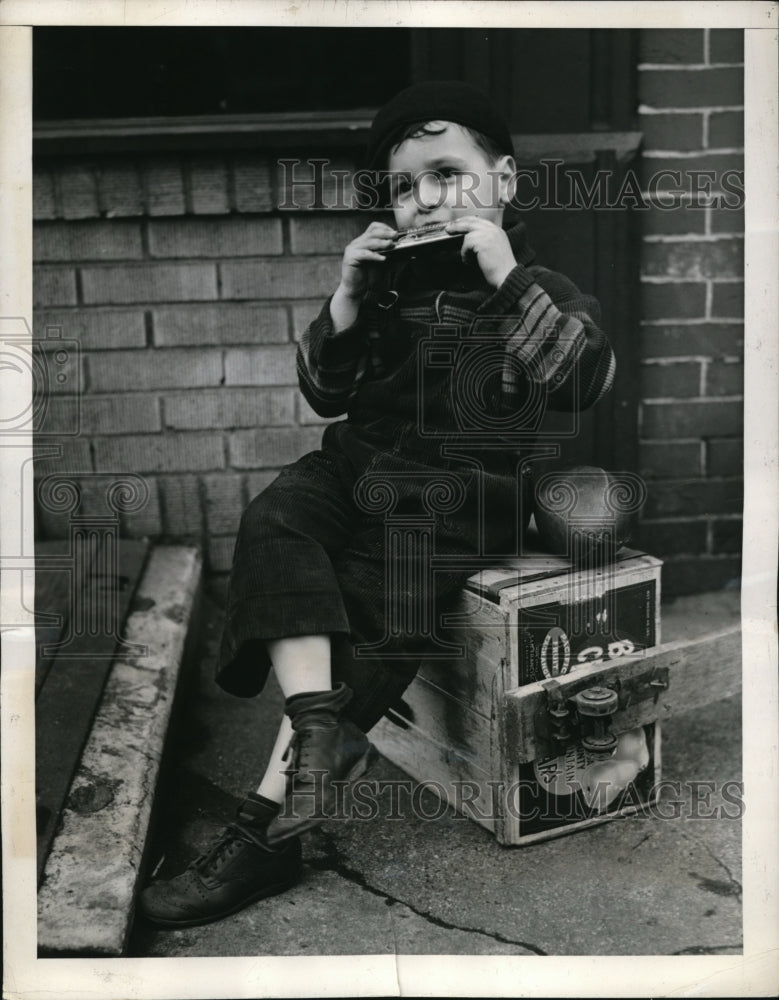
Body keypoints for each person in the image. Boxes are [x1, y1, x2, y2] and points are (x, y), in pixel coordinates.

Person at [139, 80, 615, 927]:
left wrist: (504, 275)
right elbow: (325, 393)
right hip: (352, 464)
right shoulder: (390, 284)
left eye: (448, 172)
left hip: (456, 498)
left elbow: (578, 380)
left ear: (503, 180)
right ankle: (323, 731)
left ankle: (264, 833)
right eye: (403, 186)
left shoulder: (538, 284)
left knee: (374, 602)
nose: (425, 197)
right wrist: (348, 298)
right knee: (274, 516)